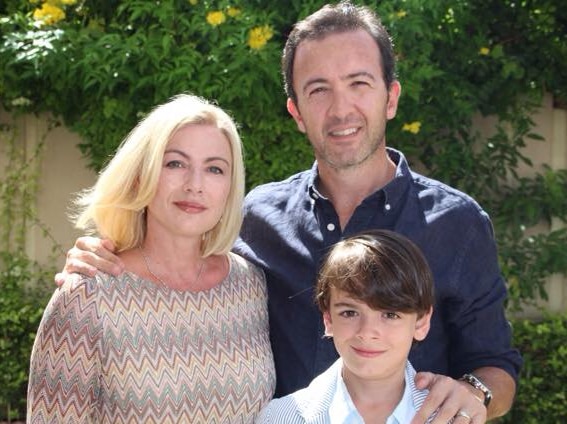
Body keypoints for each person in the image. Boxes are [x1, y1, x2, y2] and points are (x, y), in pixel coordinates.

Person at [55, 2, 522, 422]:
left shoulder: (458, 223)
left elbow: (497, 365)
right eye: (318, 90)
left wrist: (474, 393)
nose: (341, 109)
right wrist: (106, 253)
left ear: (391, 97)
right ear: (296, 112)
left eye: (359, 83)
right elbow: (174, 255)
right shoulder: (254, 217)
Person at [28, 94, 275, 422]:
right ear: (140, 175)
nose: (195, 185)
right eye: (175, 163)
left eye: (215, 169)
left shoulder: (251, 285)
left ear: (230, 187)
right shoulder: (88, 296)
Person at [257, 229, 452, 423]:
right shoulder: (280, 417)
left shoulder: (453, 417)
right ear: (328, 319)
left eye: (390, 314)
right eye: (350, 313)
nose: (366, 332)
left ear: (421, 322)